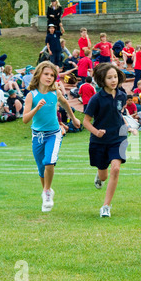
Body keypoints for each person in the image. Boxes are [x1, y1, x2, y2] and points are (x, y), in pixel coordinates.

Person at [22, 61, 81, 212]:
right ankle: (46, 191)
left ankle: (47, 192)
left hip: (54, 134)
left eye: (52, 75)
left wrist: (73, 119)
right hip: (37, 136)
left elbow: (66, 104)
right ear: (39, 75)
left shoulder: (55, 92)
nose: (49, 77)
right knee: (41, 168)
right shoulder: (31, 95)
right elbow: (25, 119)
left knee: (49, 161)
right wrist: (37, 107)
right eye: (46, 74)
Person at [82, 63, 138, 218]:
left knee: (116, 169)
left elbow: (118, 114)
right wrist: (96, 132)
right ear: (102, 79)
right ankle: (100, 176)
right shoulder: (96, 99)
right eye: (109, 78)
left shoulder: (121, 95)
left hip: (118, 138)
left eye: (115, 77)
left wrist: (128, 127)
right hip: (99, 141)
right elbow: (86, 121)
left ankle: (106, 206)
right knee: (104, 175)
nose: (113, 80)